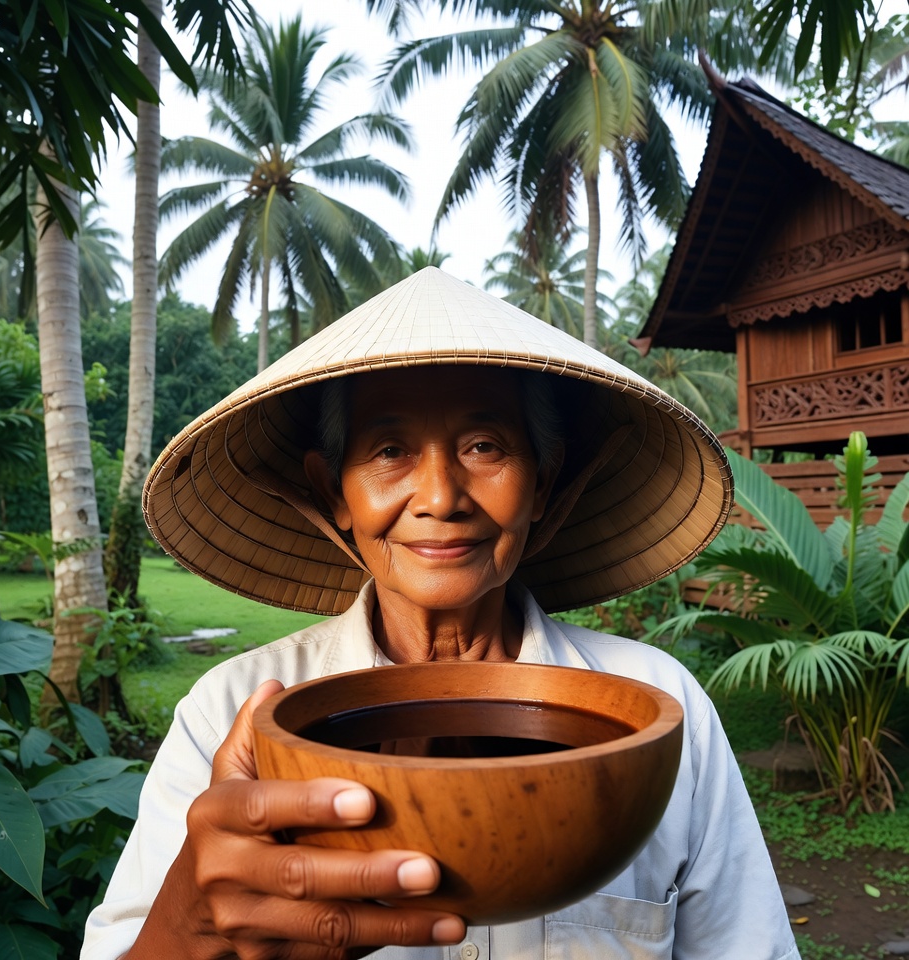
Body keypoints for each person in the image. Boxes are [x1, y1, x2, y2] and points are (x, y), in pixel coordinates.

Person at [83, 268, 801, 960]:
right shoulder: (233, 717)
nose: (440, 496)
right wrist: (193, 927)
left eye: (484, 446)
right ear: (334, 491)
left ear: (542, 483)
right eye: (389, 451)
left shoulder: (660, 708)